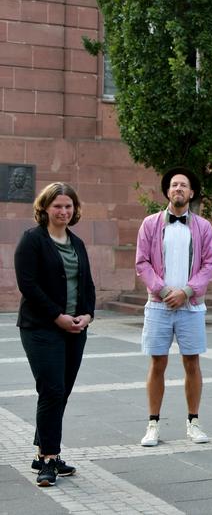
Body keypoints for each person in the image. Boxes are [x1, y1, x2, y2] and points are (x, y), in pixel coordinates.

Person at [14, 182, 95, 487]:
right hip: (41, 327)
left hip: (75, 327)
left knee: (61, 390)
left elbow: (87, 284)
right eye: (58, 206)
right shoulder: (32, 241)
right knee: (52, 390)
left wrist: (88, 314)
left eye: (68, 206)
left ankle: (42, 450)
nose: (63, 211)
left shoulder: (77, 243)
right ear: (45, 208)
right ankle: (49, 459)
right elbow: (28, 285)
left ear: (75, 210)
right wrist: (56, 316)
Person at [135, 167, 212, 446]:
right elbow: (142, 263)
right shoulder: (150, 224)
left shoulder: (203, 227)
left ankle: (193, 422)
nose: (178, 188)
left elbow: (210, 264)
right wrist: (163, 289)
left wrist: (187, 291)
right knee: (157, 361)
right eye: (174, 185)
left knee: (192, 362)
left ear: (191, 193)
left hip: (191, 306)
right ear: (167, 192)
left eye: (183, 185)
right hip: (158, 305)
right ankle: (152, 424)